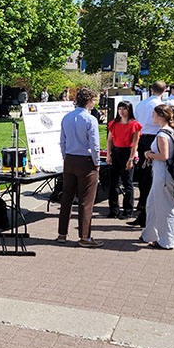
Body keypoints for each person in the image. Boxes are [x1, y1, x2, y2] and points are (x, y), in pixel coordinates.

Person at [57, 87, 103, 247]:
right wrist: (97, 163)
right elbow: (95, 145)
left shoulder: (66, 118)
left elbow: (62, 142)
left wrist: (65, 158)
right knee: (86, 200)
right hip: (86, 161)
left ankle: (62, 233)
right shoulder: (90, 120)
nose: (94, 103)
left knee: (66, 198)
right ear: (89, 101)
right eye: (94, 100)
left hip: (70, 159)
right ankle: (85, 236)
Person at [129, 81, 166, 227]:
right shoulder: (160, 106)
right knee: (152, 173)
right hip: (154, 137)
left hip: (143, 136)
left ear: (151, 89)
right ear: (164, 91)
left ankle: (142, 202)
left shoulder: (142, 104)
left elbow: (138, 120)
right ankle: (146, 203)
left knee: (144, 172)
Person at [141, 105, 174, 249]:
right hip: (161, 172)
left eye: (154, 114)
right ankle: (150, 234)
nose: (152, 117)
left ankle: (167, 240)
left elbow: (164, 156)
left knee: (165, 206)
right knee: (152, 204)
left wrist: (149, 154)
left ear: (161, 115)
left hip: (162, 172)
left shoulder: (163, 134)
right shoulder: (169, 131)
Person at [106, 101, 142, 219]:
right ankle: (114, 210)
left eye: (124, 109)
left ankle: (128, 210)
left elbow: (135, 143)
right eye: (119, 109)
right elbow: (109, 140)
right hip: (116, 152)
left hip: (128, 152)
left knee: (127, 183)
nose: (121, 111)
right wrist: (108, 155)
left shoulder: (134, 125)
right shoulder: (113, 124)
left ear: (129, 110)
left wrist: (131, 159)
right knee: (113, 183)